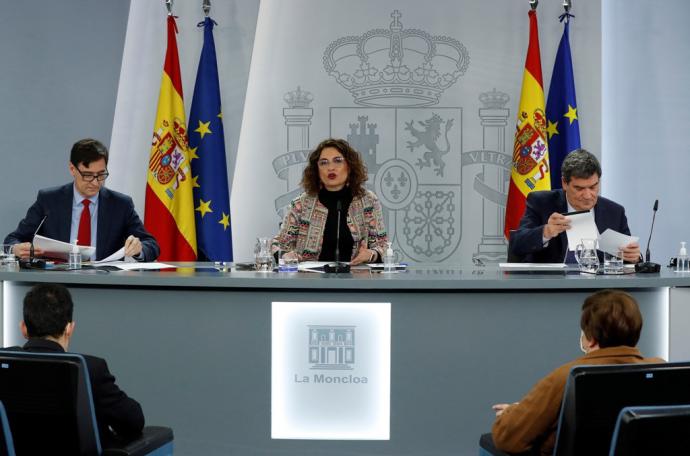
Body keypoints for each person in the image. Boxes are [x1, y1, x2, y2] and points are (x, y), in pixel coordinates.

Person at [491, 290, 664, 455]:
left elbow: (508, 439)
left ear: (591, 339)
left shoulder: (567, 377)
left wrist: (513, 413)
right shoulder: (661, 371)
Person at [3, 283, 145, 445]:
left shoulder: (4, 362)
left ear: (23, 328)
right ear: (69, 328)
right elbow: (133, 422)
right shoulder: (90, 369)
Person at [4, 138, 159, 261]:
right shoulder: (49, 200)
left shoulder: (120, 204)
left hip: (106, 285)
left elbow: (151, 245)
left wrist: (139, 249)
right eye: (88, 175)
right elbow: (13, 239)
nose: (95, 182)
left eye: (101, 174)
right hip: (57, 282)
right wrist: (16, 249)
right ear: (72, 169)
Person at [509, 149, 640, 263]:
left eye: (593, 187)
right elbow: (517, 244)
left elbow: (631, 260)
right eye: (579, 188)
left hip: (599, 288)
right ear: (564, 183)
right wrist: (546, 231)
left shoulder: (615, 212)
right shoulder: (541, 203)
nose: (588, 195)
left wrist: (634, 257)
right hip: (552, 286)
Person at [272, 138, 388, 265]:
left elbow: (383, 246)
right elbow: (278, 244)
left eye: (338, 161)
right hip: (309, 280)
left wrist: (371, 254)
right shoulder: (301, 204)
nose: (331, 168)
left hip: (355, 279)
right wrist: (285, 255)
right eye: (323, 163)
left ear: (349, 166)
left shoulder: (368, 201)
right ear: (316, 170)